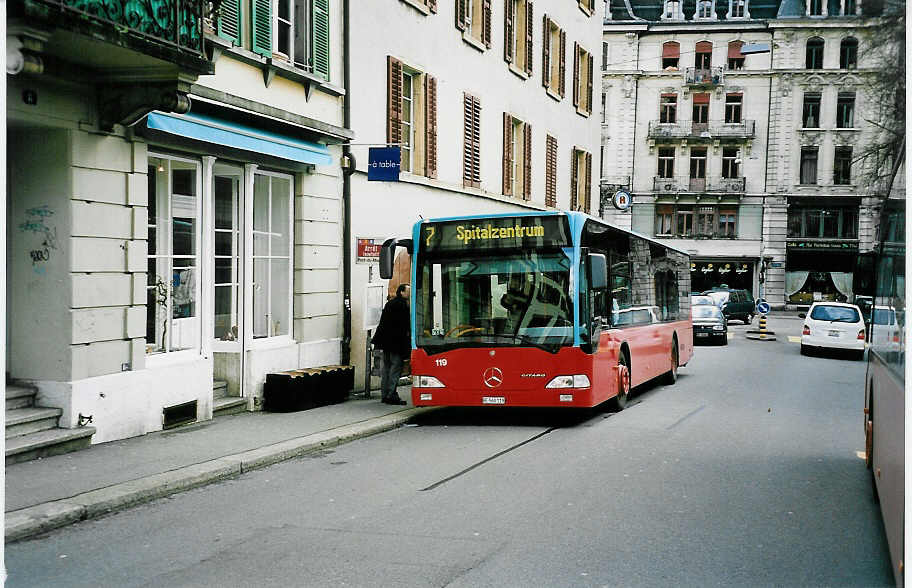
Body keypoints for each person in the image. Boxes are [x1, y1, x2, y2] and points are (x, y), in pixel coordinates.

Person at [371, 283, 410, 405]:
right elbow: (404, 327)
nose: (410, 293)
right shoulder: (403, 305)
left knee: (386, 369)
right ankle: (391, 394)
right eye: (408, 291)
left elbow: (383, 323)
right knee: (395, 369)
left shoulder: (390, 304)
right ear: (402, 292)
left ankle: (385, 395)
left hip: (384, 343)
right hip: (396, 344)